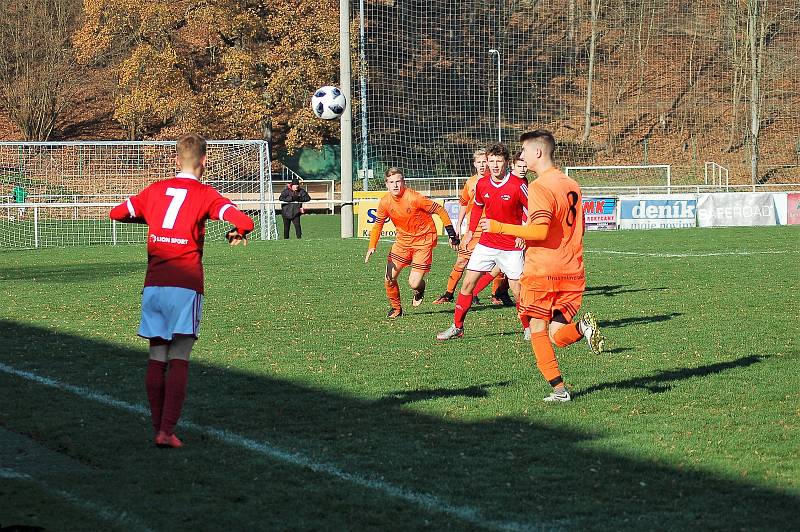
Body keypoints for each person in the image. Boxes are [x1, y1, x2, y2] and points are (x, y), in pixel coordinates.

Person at [109, 133, 254, 447]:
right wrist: (236, 230)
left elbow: (117, 212)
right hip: (185, 284)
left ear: (175, 160)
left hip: (154, 284)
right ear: (204, 161)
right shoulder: (205, 195)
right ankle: (167, 430)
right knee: (180, 356)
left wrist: (153, 220)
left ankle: (159, 428)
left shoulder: (155, 191)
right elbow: (244, 221)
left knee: (157, 354)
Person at [479, 129, 605, 402]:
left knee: (537, 330)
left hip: (544, 270)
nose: (520, 157)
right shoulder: (571, 183)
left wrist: (499, 226)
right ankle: (583, 328)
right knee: (558, 333)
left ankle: (559, 391)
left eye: (523, 151)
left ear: (537, 152)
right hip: (572, 270)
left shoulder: (539, 186)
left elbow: (539, 230)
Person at [437, 143, 529, 340]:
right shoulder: (482, 184)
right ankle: (457, 327)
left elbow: (532, 211)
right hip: (486, 243)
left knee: (517, 290)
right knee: (468, 283)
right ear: (486, 162)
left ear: (506, 162)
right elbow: (478, 207)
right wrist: (470, 232)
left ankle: (528, 328)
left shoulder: (518, 184)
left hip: (511, 245)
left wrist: (523, 233)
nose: (495, 165)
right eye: (491, 161)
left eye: (499, 161)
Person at [365, 167, 460, 318]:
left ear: (404, 182)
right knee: (389, 278)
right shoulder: (385, 202)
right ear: (386, 184)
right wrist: (372, 245)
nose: (395, 185)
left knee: (414, 283)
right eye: (391, 182)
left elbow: (440, 210)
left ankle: (420, 289)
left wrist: (451, 234)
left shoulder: (415, 198)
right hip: (402, 242)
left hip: (423, 241)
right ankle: (396, 308)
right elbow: (378, 224)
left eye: (398, 181)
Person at [431, 149, 488, 305]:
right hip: (472, 230)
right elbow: (463, 203)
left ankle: (482, 294)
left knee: (492, 264)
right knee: (462, 261)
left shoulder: (495, 180)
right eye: (479, 162)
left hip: (490, 229)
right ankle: (449, 294)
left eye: (485, 162)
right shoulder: (470, 182)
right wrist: (458, 224)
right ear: (474, 164)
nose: (482, 165)